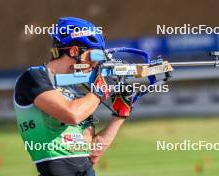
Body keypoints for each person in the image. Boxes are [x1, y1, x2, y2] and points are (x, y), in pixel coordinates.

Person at [13, 17, 133, 176]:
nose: (96, 63)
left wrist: (120, 115)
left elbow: (91, 154)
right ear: (74, 51)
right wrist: (103, 87)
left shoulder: (76, 91)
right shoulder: (33, 77)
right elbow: (72, 115)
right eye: (94, 56)